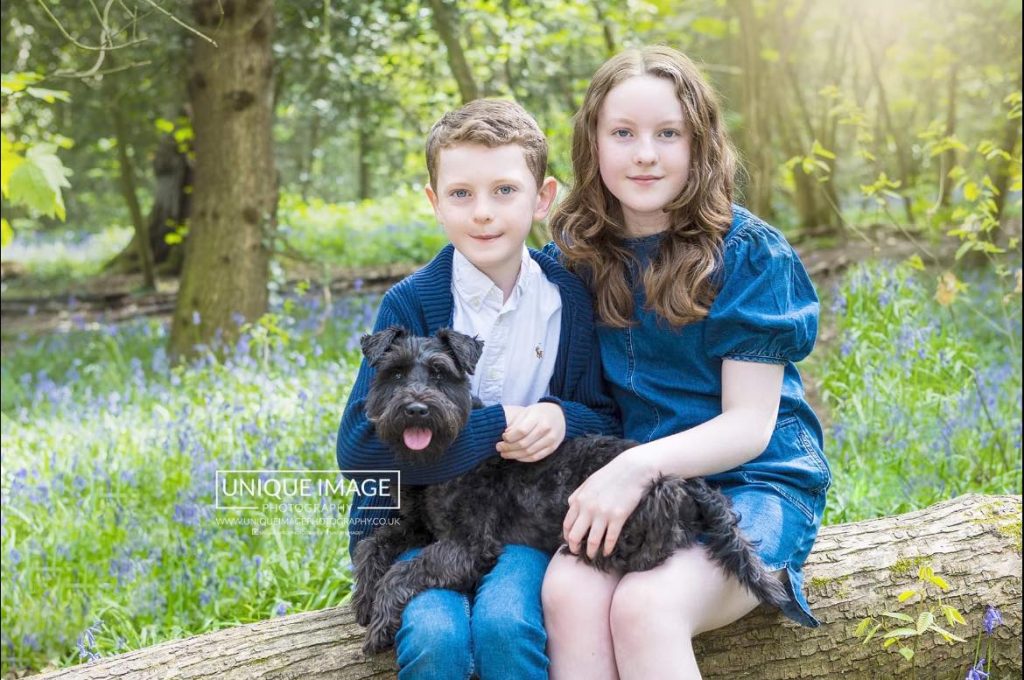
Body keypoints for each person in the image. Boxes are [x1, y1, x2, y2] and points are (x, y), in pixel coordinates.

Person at [543, 45, 831, 679]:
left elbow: (748, 426)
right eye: (623, 133)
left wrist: (634, 467)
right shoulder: (580, 254)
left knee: (646, 608)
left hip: (755, 481)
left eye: (668, 133)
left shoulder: (749, 254)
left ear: (699, 144)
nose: (645, 153)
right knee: (567, 593)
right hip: (646, 489)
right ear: (593, 144)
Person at [336, 98, 619, 680]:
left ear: (542, 198)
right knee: (435, 636)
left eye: (505, 191)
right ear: (434, 202)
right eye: (461, 194)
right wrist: (501, 423)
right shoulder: (412, 303)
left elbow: (604, 417)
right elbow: (360, 453)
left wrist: (562, 417)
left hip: (517, 521)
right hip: (412, 524)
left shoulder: (566, 299)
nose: (483, 213)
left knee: (507, 624)